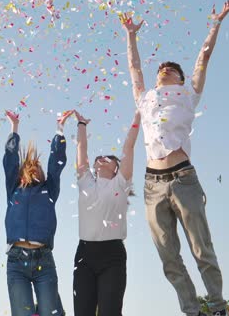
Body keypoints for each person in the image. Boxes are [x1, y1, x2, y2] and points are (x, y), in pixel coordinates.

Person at [119, 1, 229, 316]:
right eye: (161, 70)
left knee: (201, 249)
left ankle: (218, 306)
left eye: (172, 69)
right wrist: (131, 36)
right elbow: (135, 69)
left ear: (181, 80)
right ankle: (192, 310)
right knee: (168, 256)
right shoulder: (146, 98)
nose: (164, 69)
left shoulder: (189, 94)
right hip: (152, 185)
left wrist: (215, 23)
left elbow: (204, 58)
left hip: (183, 178)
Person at [2, 109, 72, 316]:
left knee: (51, 313)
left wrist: (60, 130)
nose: (33, 169)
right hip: (16, 261)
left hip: (44, 259)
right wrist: (14, 128)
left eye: (37, 167)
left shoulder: (49, 190)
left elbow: (56, 163)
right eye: (29, 167)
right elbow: (10, 160)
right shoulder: (13, 189)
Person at [72, 110, 140, 316]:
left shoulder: (121, 183)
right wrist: (82, 124)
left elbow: (128, 146)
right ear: (93, 166)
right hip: (84, 254)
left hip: (112, 256)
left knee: (110, 312)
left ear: (117, 168)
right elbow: (81, 149)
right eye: (99, 158)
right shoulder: (85, 181)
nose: (102, 159)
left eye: (109, 159)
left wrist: (137, 117)